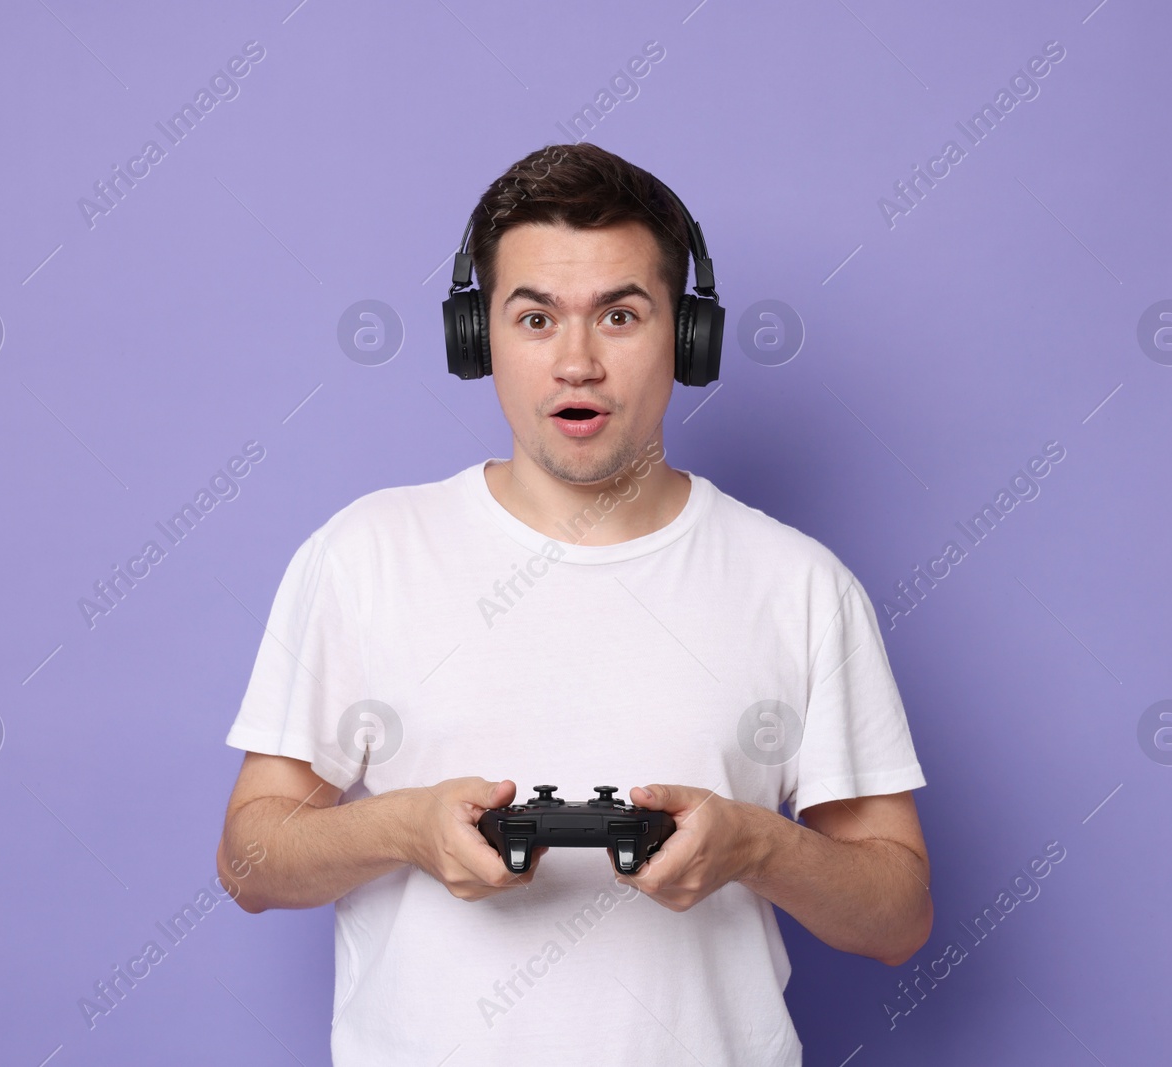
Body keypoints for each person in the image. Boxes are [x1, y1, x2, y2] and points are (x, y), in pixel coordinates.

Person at [216, 141, 931, 1065]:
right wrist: (403, 827)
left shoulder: (801, 585)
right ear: (479, 339)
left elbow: (897, 918)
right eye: (536, 317)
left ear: (688, 335)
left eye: (621, 315)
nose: (578, 362)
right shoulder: (363, 556)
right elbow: (248, 863)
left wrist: (757, 846)